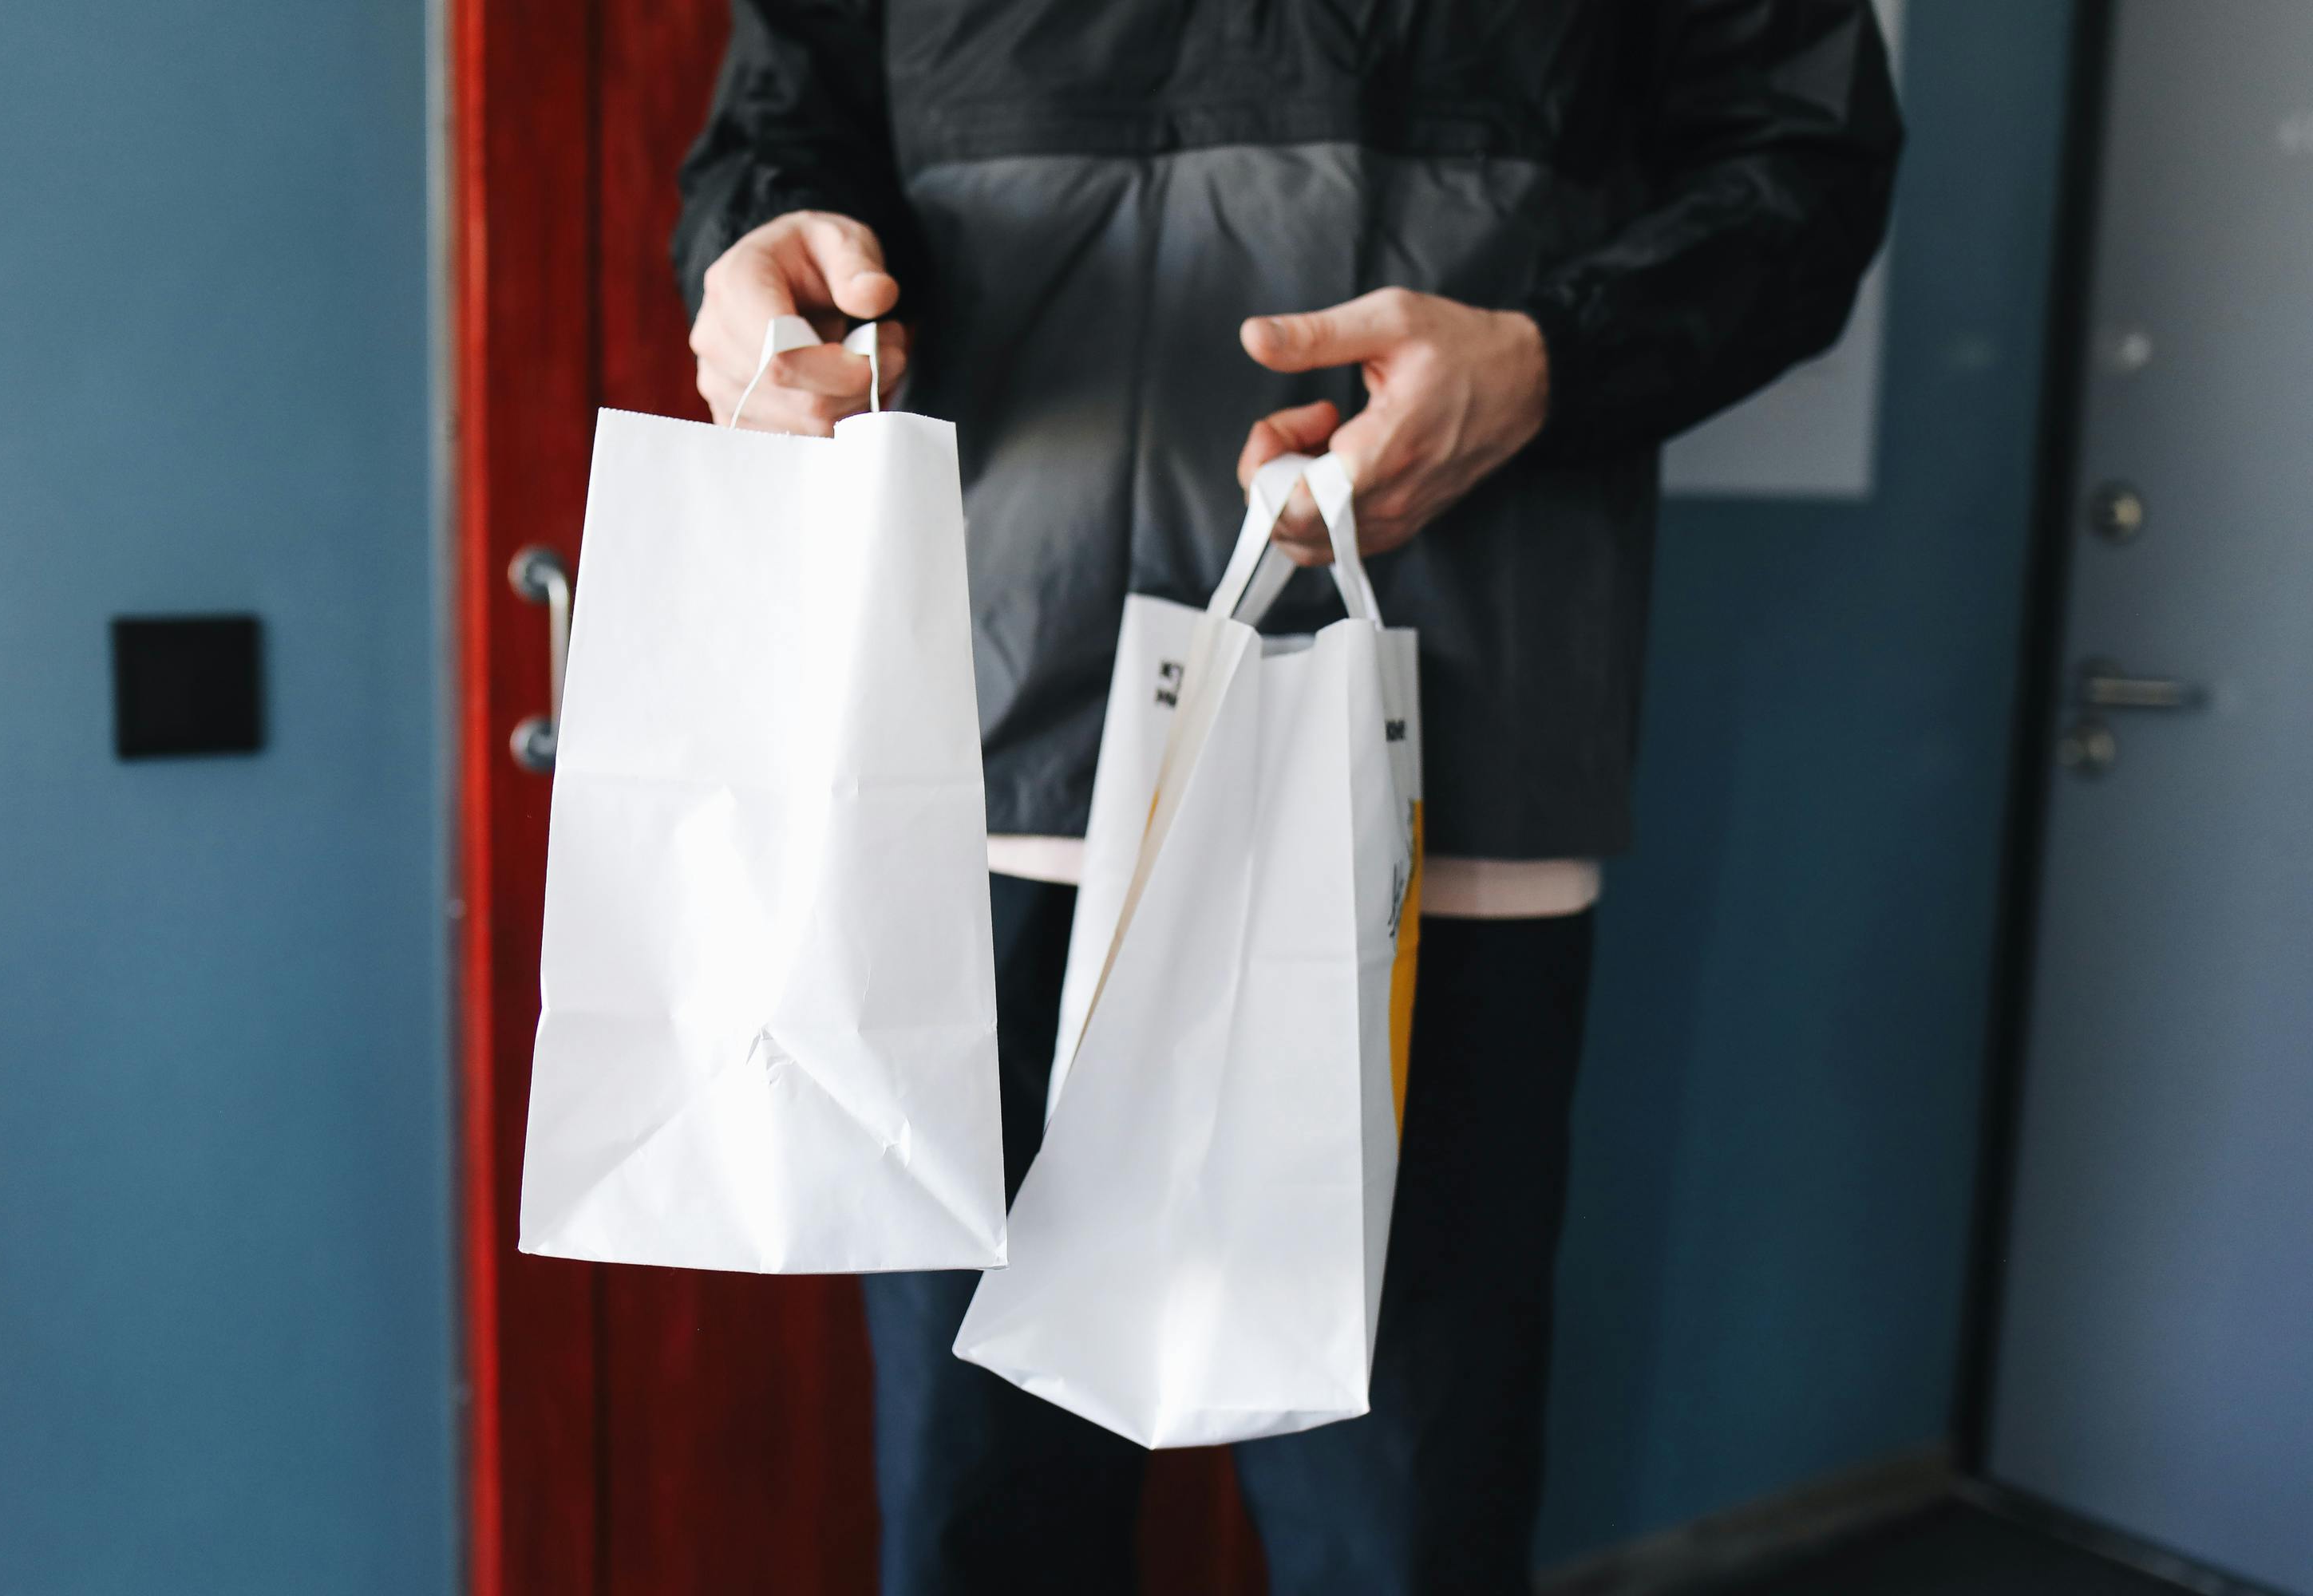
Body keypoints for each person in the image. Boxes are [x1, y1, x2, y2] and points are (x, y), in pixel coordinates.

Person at [673, 2, 1901, 1591]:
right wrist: (761, 267)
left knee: (1402, 1522)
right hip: (976, 774)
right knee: (979, 1510)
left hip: (1423, 785)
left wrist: (1550, 360)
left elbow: (1804, 154)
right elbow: (787, 127)